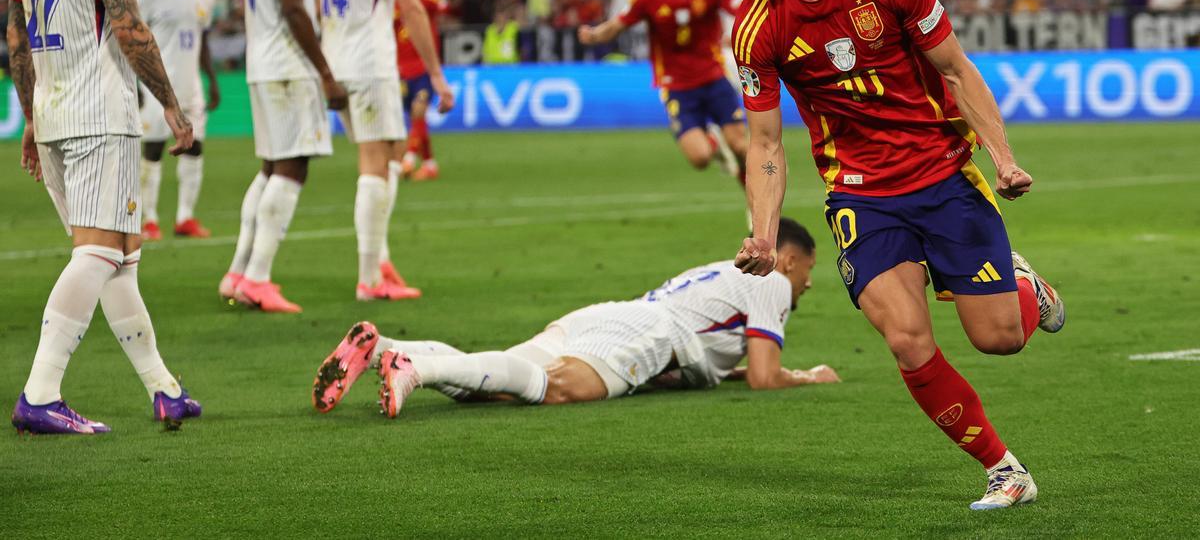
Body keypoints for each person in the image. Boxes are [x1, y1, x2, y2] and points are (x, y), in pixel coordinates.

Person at [730, 0, 1067, 510]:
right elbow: (766, 143)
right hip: (861, 192)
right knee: (908, 340)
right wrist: (763, 234)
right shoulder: (757, 27)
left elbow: (955, 69)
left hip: (942, 172)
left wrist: (1000, 158)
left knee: (997, 338)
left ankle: (1025, 286)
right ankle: (1005, 470)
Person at [6, 0, 201, 433]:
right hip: (99, 112)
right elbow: (126, 20)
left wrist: (30, 116)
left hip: (53, 109)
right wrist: (170, 104)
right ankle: (39, 394)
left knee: (120, 255)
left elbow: (16, 35)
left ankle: (164, 389)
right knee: (97, 254)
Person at [311, 218, 839, 417]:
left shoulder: (726, 274)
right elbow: (766, 379)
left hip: (613, 316)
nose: (807, 283)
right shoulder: (770, 279)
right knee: (556, 388)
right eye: (807, 270)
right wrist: (808, 376)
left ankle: (382, 349)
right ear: (789, 258)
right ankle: (416, 371)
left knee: (495, 381)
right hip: (652, 337)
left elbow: (729, 363)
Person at [315, 0, 453, 301]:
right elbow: (411, 9)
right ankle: (368, 279)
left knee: (391, 155)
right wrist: (435, 73)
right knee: (376, 164)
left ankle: (381, 262)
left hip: (336, 61)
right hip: (369, 63)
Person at [217, 0, 348, 313]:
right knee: (293, 167)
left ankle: (237, 272)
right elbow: (293, 9)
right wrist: (326, 73)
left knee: (272, 166)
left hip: (263, 62)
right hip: (288, 66)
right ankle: (258, 277)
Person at [578, 0, 747, 179]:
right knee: (700, 158)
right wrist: (594, 35)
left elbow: (745, 13)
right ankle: (713, 142)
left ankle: (755, 205)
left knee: (742, 147)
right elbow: (617, 24)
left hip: (714, 78)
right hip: (676, 85)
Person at [137, 0, 220, 241]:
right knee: (154, 149)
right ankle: (150, 220)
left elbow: (203, 41)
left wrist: (211, 79)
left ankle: (185, 216)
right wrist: (136, 83)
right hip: (156, 88)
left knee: (195, 148)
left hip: (191, 87)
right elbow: (131, 40)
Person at [393, 0, 448, 183]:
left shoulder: (427, 0)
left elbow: (448, 8)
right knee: (417, 118)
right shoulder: (395, 5)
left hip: (424, 67)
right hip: (402, 70)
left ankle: (408, 158)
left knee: (418, 110)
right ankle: (430, 165)